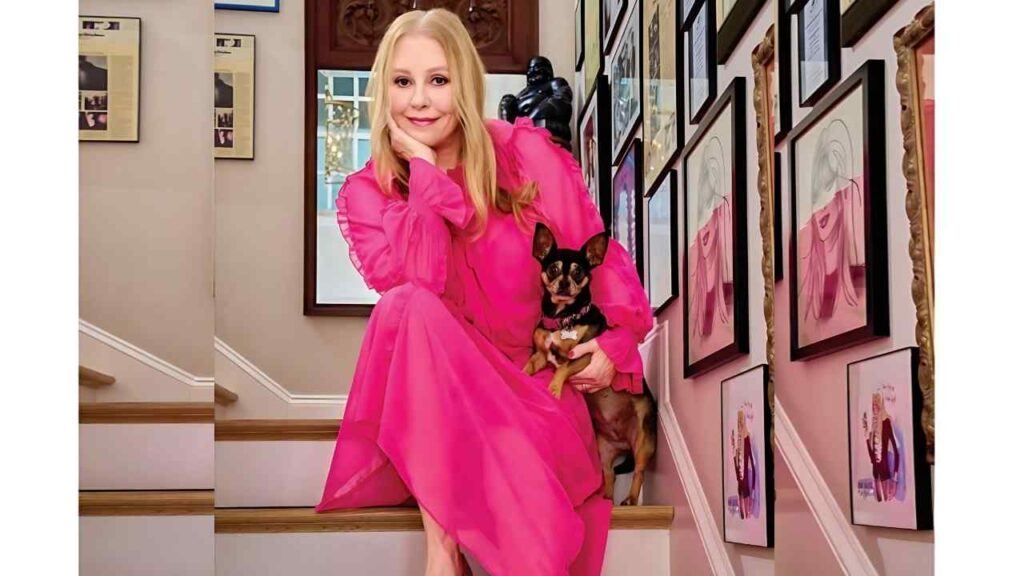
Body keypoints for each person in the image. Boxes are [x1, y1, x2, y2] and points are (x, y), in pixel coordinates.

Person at [313, 8, 653, 576]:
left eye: (438, 80)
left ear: (464, 85)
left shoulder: (525, 155)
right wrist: (424, 177)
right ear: (383, 91)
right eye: (403, 82)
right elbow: (420, 282)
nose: (419, 100)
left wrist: (614, 348)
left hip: (536, 396)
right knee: (405, 304)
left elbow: (599, 256)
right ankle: (442, 551)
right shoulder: (369, 193)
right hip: (445, 411)